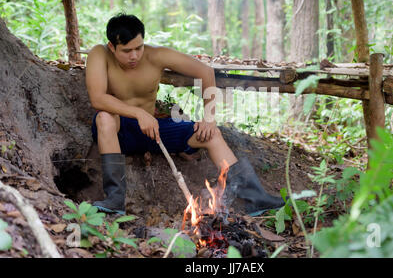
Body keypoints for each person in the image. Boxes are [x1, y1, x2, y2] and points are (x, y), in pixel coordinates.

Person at [86, 13, 284, 215]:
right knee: (104, 117)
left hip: (152, 131)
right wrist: (137, 113)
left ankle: (255, 198)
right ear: (112, 47)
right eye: (127, 51)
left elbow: (205, 72)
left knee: (211, 134)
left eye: (139, 47)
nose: (134, 56)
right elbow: (98, 98)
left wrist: (209, 118)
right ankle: (115, 198)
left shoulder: (156, 55)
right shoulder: (100, 55)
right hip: (119, 132)